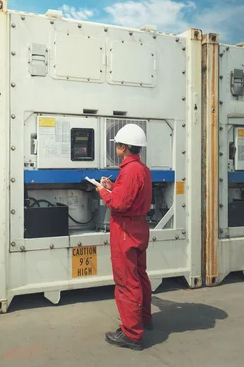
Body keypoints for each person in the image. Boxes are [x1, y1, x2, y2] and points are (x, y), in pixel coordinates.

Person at [94, 124, 153, 351]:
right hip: (139, 227)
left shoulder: (129, 170)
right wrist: (113, 186)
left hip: (125, 230)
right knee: (139, 275)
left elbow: (118, 204)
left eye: (118, 144)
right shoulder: (142, 169)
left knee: (126, 280)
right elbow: (130, 194)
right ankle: (144, 320)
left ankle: (132, 334)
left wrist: (102, 191)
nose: (116, 148)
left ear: (124, 147)